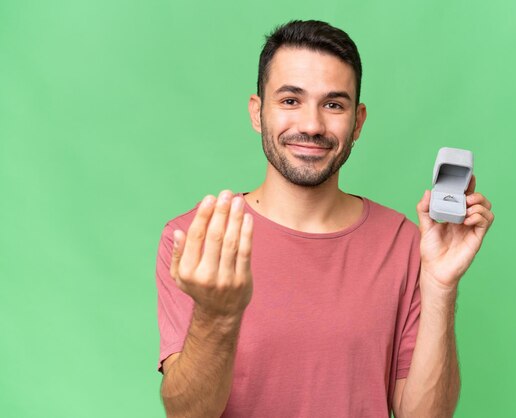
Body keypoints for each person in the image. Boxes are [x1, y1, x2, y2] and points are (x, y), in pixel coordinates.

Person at [155, 19, 494, 418]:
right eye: (290, 100)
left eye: (333, 104)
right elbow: (187, 415)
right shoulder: (197, 237)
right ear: (257, 112)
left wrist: (440, 285)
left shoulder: (402, 242)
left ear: (358, 122)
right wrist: (218, 314)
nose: (312, 126)